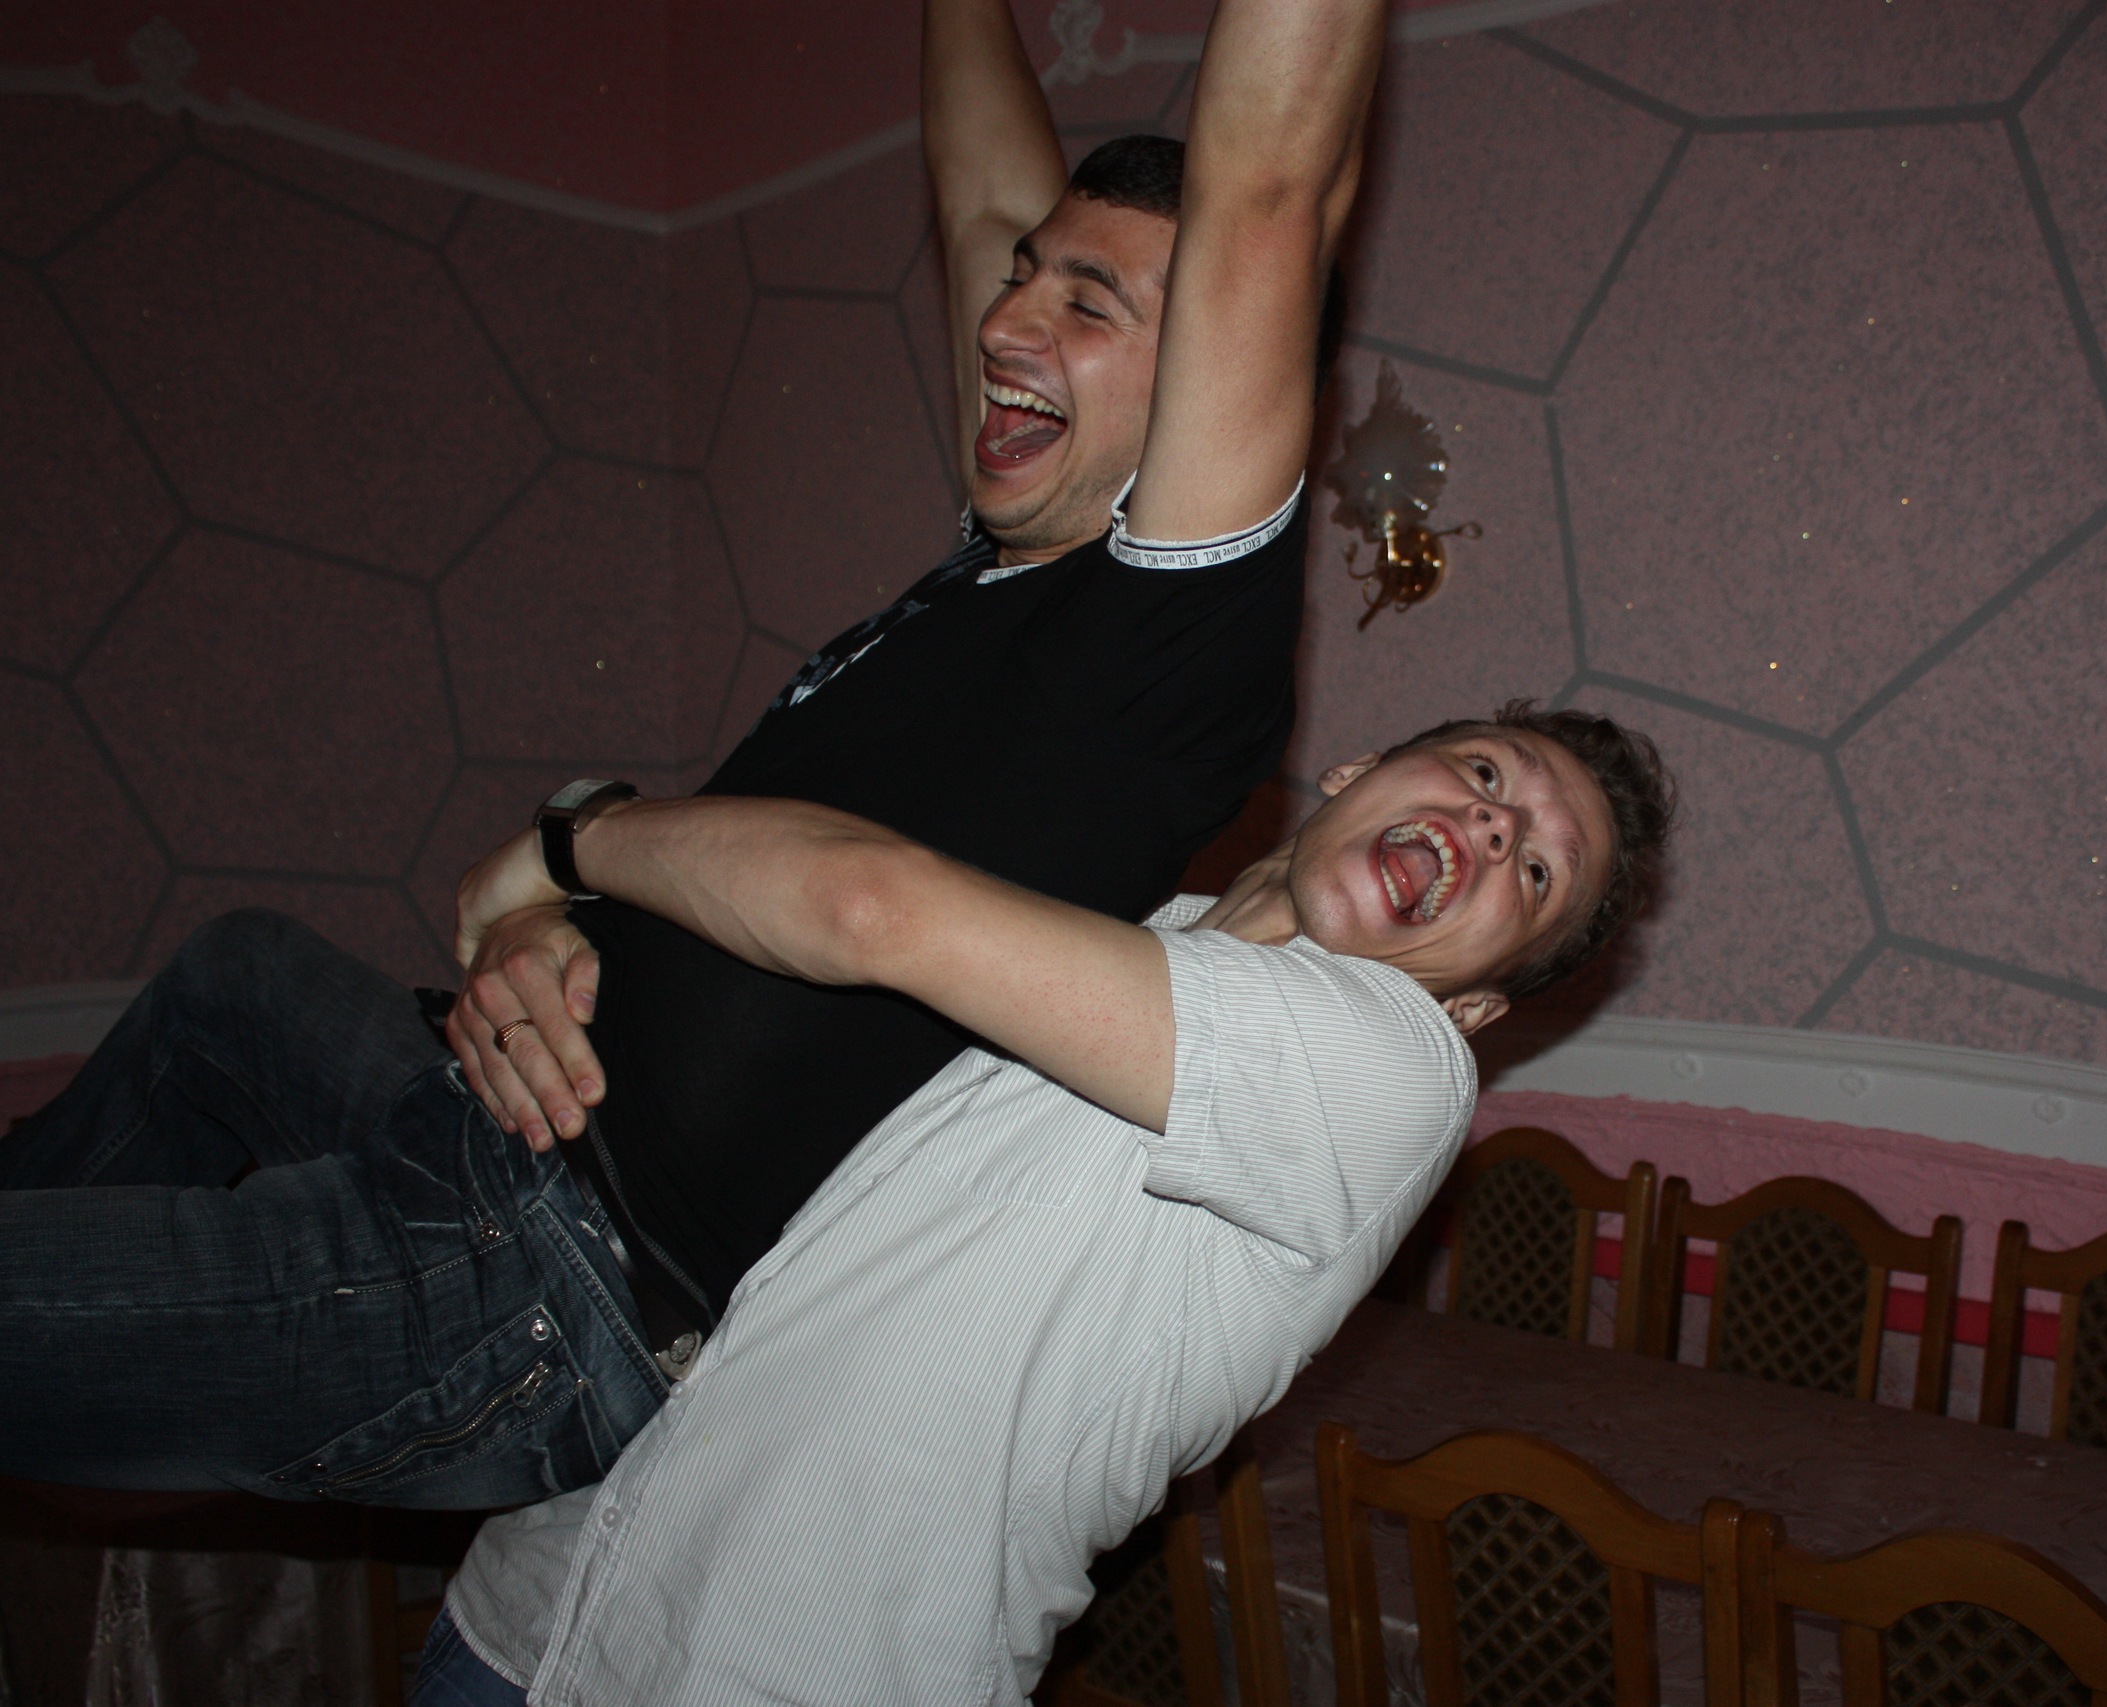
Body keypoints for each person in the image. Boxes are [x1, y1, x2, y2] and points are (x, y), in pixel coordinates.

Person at [0, 0, 1350, 1510]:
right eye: (1023, 279)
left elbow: (1271, 185)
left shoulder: (1158, 654)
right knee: (235, 979)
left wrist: (568, 842)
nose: (1004, 321)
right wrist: (552, 925)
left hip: (542, 1286)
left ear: (1209, 376)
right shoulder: (993, 569)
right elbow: (978, 193)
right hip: (497, 1124)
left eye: (1085, 304)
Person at [422, 698, 1674, 1705]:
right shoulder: (1133, 930)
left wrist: (566, 844)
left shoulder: (1396, 1071)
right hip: (545, 1592)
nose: (1492, 825)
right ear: (1355, 773)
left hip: (789, 1666)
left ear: (1475, 1008)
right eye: (1485, 774)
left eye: (1536, 871)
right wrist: (558, 946)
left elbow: (867, 908)